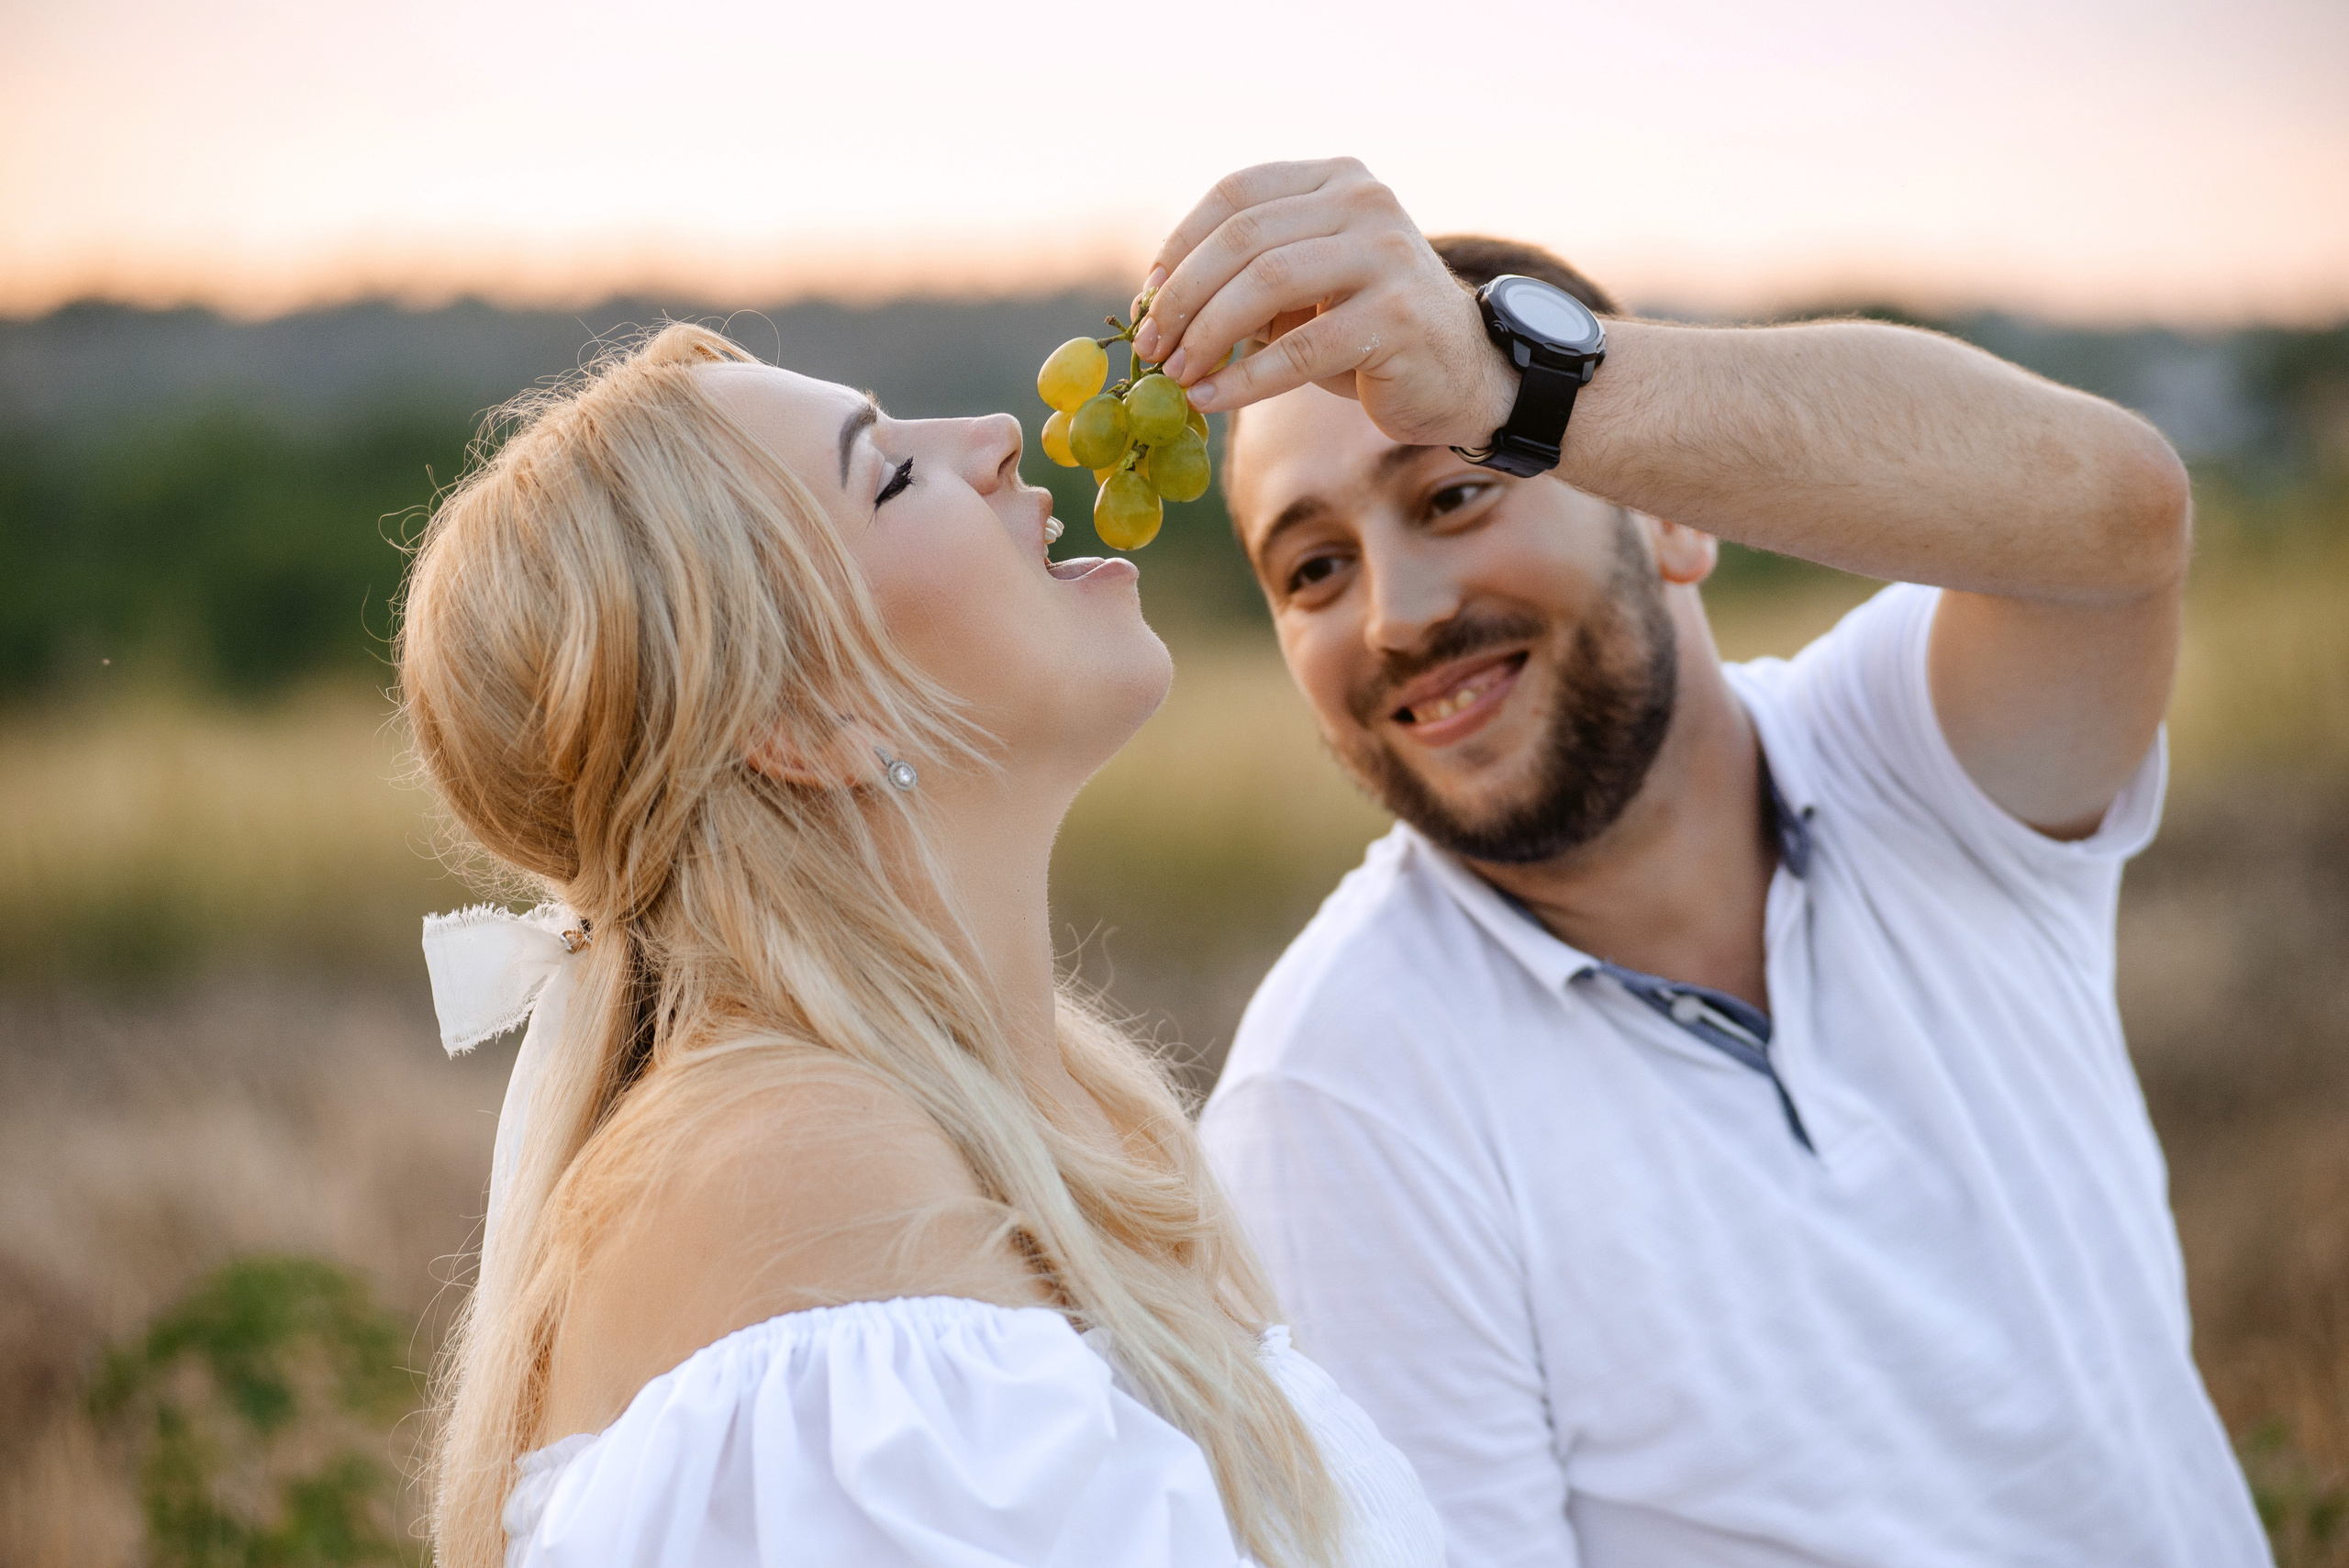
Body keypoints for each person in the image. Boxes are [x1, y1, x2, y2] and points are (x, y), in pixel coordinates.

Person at [1130, 160, 2272, 1564]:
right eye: (1313, 569)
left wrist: (1513, 384)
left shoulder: (1911, 759)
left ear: (1671, 512)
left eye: (1455, 492)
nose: (1396, 617)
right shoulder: (1340, 1089)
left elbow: (2116, 514)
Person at [399, 322, 1446, 1568]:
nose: (1001, 439)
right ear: (804, 720)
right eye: (889, 474)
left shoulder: (1067, 1119)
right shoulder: (798, 1173)